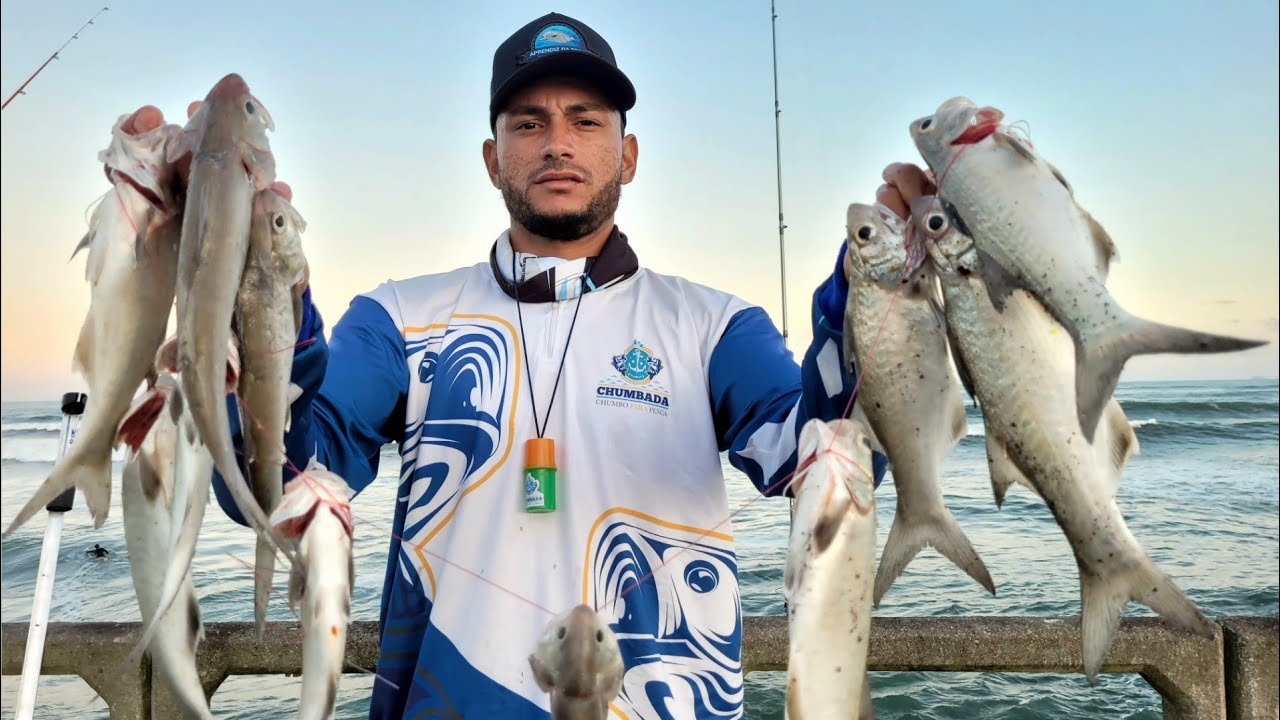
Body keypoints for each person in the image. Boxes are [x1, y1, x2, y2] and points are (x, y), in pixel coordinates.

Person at [119, 11, 934, 719]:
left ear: (631, 152)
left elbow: (823, 458)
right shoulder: (400, 317)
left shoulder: (713, 326)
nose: (557, 145)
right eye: (528, 122)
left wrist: (876, 298)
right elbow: (276, 480)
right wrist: (243, 283)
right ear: (490, 155)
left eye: (585, 120)